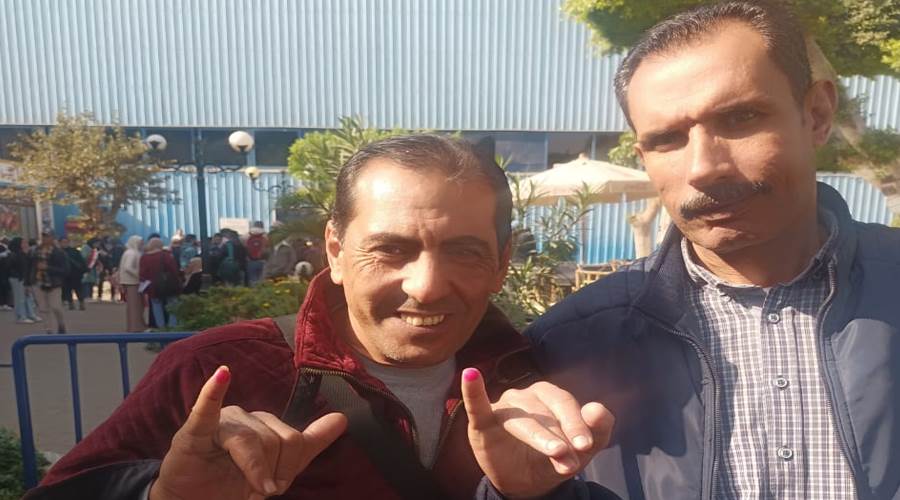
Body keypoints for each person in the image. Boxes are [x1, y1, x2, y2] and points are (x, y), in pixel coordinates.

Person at [469, 2, 900, 500]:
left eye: (740, 118)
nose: (703, 168)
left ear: (817, 114)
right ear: (643, 156)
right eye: (667, 139)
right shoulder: (568, 345)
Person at [26, 134, 540, 500]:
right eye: (390, 249)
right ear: (335, 251)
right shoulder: (214, 372)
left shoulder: (536, 377)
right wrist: (160, 494)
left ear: (501, 263)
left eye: (465, 252)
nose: (426, 287)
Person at [139, 237, 181, 329]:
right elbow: (174, 270)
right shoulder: (166, 255)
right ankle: (172, 326)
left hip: (153, 287)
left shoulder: (144, 257)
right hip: (168, 285)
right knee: (173, 305)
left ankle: (160, 328)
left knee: (156, 306)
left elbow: (142, 274)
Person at [32, 230, 69, 334]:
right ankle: (48, 329)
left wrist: (47, 268)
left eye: (47, 236)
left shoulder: (59, 252)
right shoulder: (36, 251)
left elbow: (65, 270)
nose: (45, 239)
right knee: (43, 308)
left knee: (56, 306)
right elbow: (30, 267)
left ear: (52, 238)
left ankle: (61, 324)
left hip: (54, 283)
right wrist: (28, 282)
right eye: (43, 236)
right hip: (39, 282)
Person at [7, 237, 40, 323]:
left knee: (28, 297)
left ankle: (30, 314)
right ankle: (21, 316)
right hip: (17, 278)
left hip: (24, 278)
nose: (26, 245)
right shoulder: (15, 254)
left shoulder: (26, 254)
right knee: (20, 298)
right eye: (23, 243)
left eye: (26, 243)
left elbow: (29, 267)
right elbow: (18, 267)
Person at [118, 235, 145, 332]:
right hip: (132, 282)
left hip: (130, 281)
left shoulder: (129, 252)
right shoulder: (132, 253)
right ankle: (135, 326)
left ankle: (135, 325)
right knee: (135, 306)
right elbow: (128, 267)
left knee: (134, 305)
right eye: (140, 243)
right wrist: (138, 275)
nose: (142, 245)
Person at [59, 237, 87, 311]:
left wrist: (83, 270)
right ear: (60, 243)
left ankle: (81, 302)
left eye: (66, 242)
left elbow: (81, 261)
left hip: (75, 274)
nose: (64, 244)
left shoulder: (74, 251)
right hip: (65, 274)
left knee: (78, 289)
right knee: (67, 289)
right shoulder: (58, 252)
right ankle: (71, 303)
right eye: (63, 242)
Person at [245, 221, 269, 285]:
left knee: (252, 280)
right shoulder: (267, 237)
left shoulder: (246, 236)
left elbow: (244, 248)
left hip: (251, 261)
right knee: (263, 280)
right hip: (263, 261)